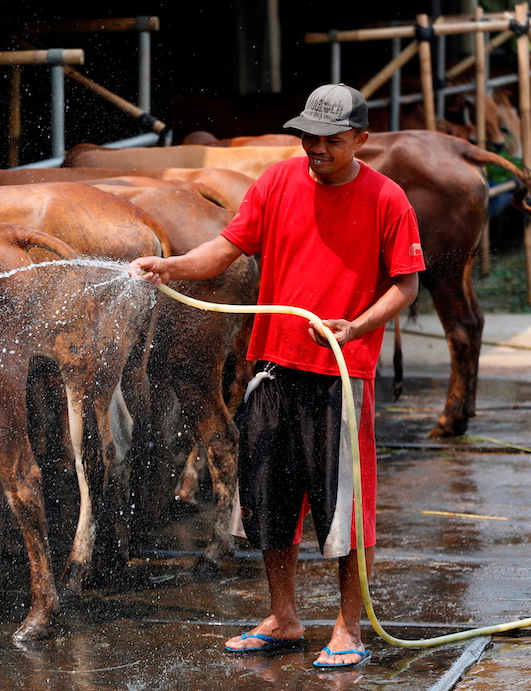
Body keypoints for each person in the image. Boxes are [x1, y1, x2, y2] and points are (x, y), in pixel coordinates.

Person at [130, 83, 425, 669]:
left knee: (344, 508)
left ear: (360, 139)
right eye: (309, 136)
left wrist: (354, 327)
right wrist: (169, 266)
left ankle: (348, 627)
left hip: (341, 371)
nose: (316, 148)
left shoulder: (387, 199)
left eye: (331, 140)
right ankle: (283, 617)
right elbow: (224, 251)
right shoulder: (277, 182)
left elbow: (407, 285)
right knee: (268, 499)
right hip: (272, 366)